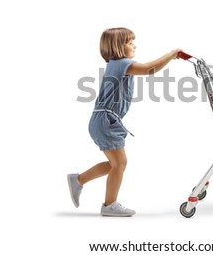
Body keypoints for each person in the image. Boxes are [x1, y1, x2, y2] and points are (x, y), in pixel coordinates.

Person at [68, 27, 182, 216]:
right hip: (106, 121)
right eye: (130, 43)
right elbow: (148, 69)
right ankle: (109, 205)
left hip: (104, 120)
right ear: (117, 47)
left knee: (116, 164)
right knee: (120, 163)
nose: (134, 45)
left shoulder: (116, 64)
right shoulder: (122, 63)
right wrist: (171, 55)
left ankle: (78, 180)